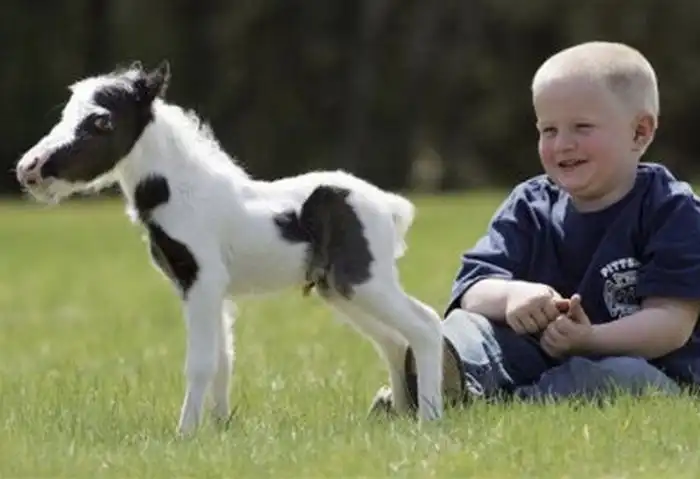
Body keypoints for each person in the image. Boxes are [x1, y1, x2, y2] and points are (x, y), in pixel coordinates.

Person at [370, 41, 700, 415]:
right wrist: (512, 296)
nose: (562, 144)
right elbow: (473, 288)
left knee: (620, 378)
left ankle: (490, 406)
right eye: (549, 130)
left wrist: (590, 339)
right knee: (467, 326)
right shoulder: (530, 203)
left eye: (581, 127)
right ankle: (437, 381)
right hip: (535, 354)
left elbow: (672, 324)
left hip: (646, 364)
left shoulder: (671, 209)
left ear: (640, 132)